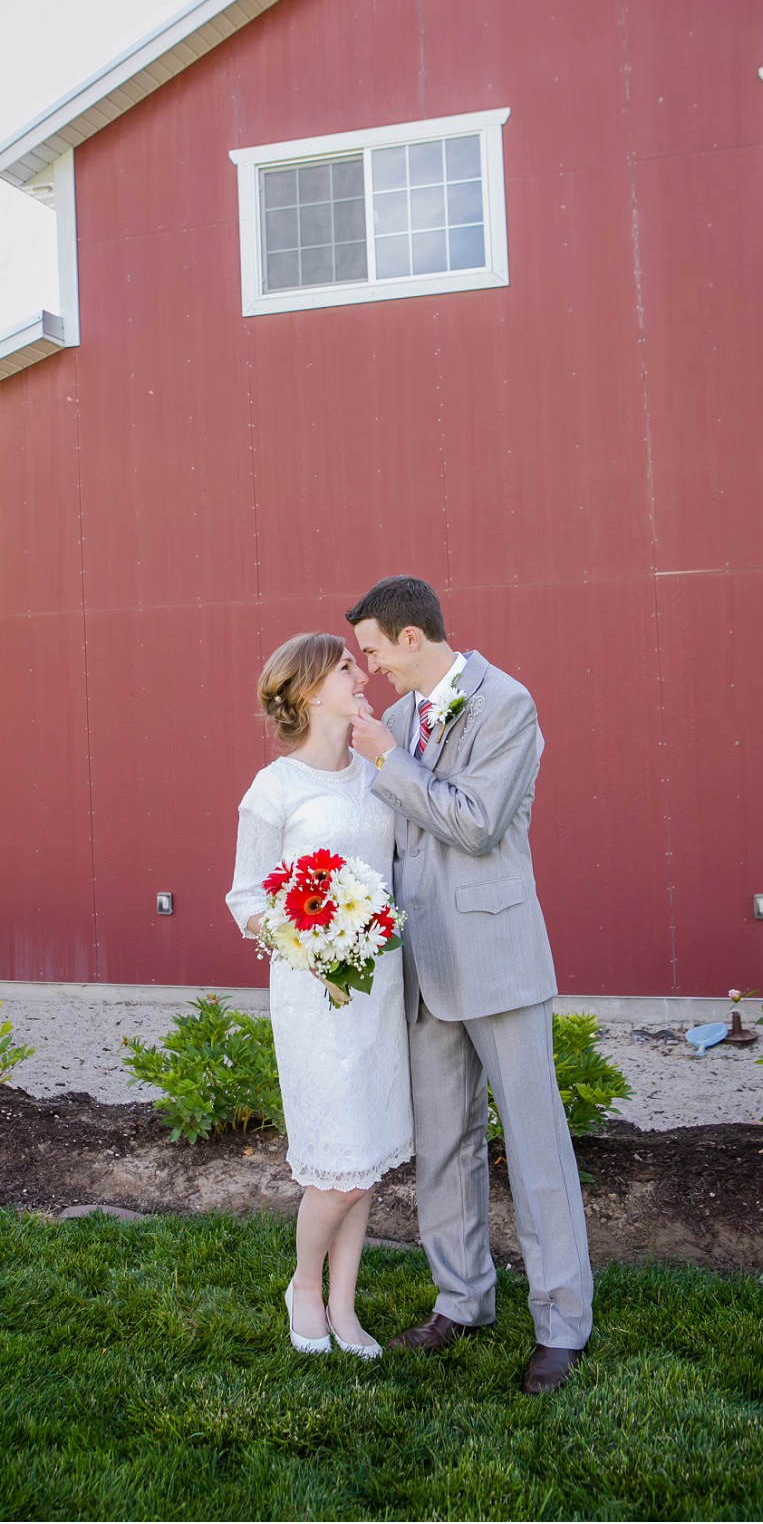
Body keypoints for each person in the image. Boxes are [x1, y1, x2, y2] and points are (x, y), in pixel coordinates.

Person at [346, 575, 592, 1395]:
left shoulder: (506, 703)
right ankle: (463, 1298)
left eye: (373, 650)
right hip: (420, 962)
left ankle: (561, 1324)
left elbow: (477, 823)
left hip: (497, 954)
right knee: (442, 1145)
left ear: (411, 639)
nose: (370, 666)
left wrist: (388, 762)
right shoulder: (393, 718)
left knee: (535, 1146)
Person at [226, 632, 414, 1359]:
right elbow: (246, 894)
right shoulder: (274, 788)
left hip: (377, 984)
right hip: (314, 993)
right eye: (344, 668)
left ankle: (344, 1305)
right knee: (335, 1163)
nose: (360, 674)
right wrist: (304, 943)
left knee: (362, 1157)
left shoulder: (376, 768)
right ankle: (304, 1283)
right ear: (307, 692)